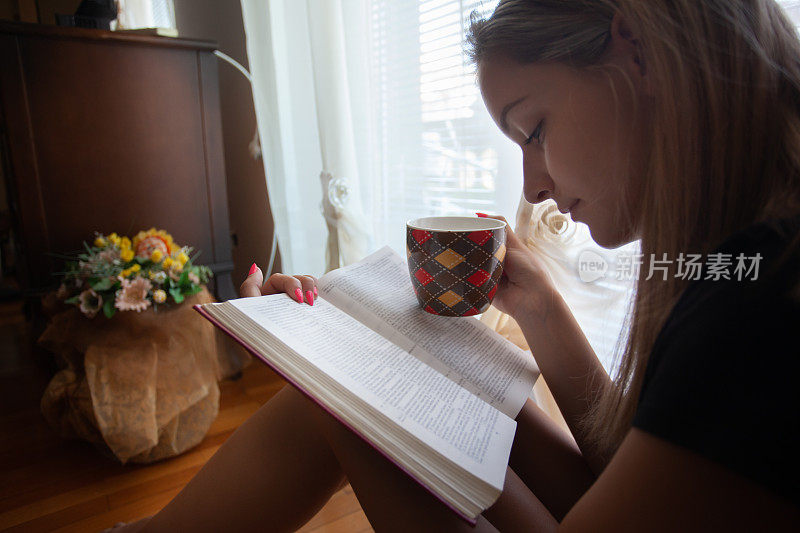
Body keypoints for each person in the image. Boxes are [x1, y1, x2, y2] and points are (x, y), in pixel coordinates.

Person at [119, 1, 800, 531]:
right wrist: (533, 306)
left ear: (639, 52)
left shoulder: (762, 300)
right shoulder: (748, 255)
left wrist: (349, 382)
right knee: (354, 383)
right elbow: (634, 465)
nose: (533, 185)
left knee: (341, 389)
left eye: (533, 129)